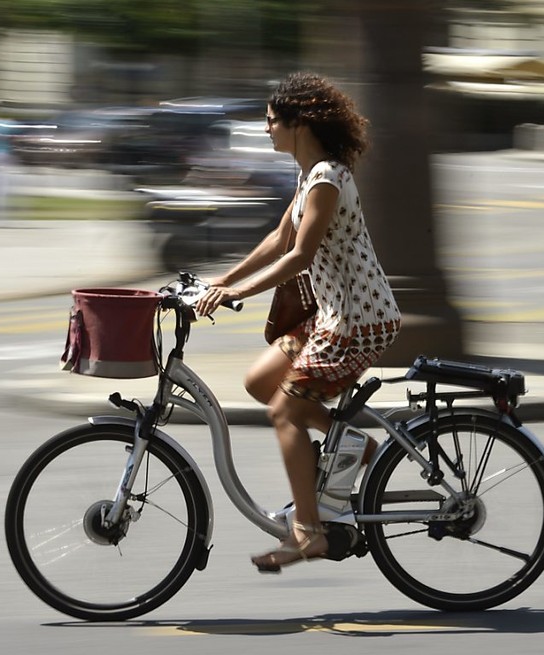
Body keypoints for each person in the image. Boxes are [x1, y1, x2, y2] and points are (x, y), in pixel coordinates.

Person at [195, 72, 401, 572]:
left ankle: (308, 533)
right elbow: (279, 238)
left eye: (271, 122)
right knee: (260, 381)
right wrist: (217, 282)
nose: (266, 129)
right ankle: (354, 446)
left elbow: (301, 255)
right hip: (332, 315)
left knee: (285, 414)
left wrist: (237, 293)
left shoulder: (328, 178)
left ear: (298, 123)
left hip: (357, 321)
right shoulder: (309, 174)